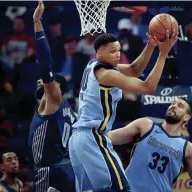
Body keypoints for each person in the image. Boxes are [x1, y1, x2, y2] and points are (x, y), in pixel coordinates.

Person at [69, 16, 178, 191]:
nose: (118, 54)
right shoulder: (106, 75)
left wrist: (150, 45)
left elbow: (135, 70)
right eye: (113, 51)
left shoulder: (93, 66)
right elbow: (147, 87)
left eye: (119, 50)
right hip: (93, 138)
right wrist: (163, 54)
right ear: (99, 53)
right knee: (121, 188)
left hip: (77, 140)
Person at [108, 98, 192, 192]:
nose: (173, 106)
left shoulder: (188, 148)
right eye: (172, 104)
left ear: (187, 117)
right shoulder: (146, 125)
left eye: (180, 106)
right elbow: (109, 138)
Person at [27, 1, 77, 192]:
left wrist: (37, 21)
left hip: (50, 170)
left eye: (46, 82)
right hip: (66, 167)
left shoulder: (54, 100)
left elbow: (45, 63)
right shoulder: (70, 112)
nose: (41, 82)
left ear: (57, 87)